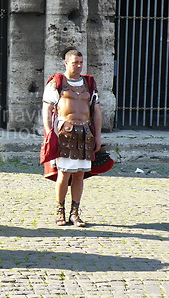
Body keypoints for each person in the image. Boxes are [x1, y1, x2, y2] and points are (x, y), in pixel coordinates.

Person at [41, 49, 102, 227]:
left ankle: (75, 213)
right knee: (64, 173)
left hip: (84, 133)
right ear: (66, 63)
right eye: (75, 62)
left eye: (81, 62)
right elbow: (47, 109)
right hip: (64, 133)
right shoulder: (57, 83)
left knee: (79, 174)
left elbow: (96, 111)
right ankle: (60, 210)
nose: (79, 65)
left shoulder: (88, 83)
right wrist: (48, 133)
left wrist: (97, 136)